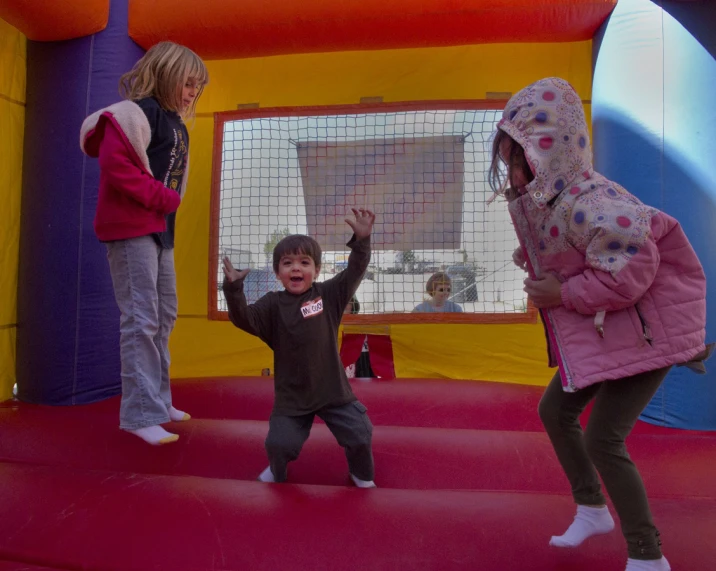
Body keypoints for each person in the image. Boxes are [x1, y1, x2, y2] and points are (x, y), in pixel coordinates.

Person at [489, 77, 711, 571]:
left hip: (649, 330)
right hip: (617, 328)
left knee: (603, 438)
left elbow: (630, 269)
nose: (513, 173)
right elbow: (584, 256)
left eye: (518, 160)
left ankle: (648, 555)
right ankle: (592, 509)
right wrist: (545, 267)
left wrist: (562, 292)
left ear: (549, 153)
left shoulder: (589, 200)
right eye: (508, 161)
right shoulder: (553, 200)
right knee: (555, 411)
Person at [80, 42, 209, 445]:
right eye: (187, 83)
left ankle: (157, 400)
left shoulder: (175, 122)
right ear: (167, 74)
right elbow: (116, 167)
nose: (191, 93)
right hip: (131, 228)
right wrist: (162, 199)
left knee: (164, 315)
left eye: (197, 87)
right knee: (141, 318)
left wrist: (167, 206)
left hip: (158, 230)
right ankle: (139, 414)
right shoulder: (136, 114)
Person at [222, 209, 377, 488]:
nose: (296, 268)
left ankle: (362, 475)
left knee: (360, 433)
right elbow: (243, 318)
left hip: (332, 390)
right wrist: (233, 290)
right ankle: (277, 471)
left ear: (316, 270)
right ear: (278, 272)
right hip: (292, 397)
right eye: (287, 262)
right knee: (280, 443)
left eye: (304, 262)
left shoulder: (328, 295)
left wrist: (362, 240)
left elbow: (356, 269)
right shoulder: (271, 304)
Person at [343, 295, 374, 379]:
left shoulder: (361, 323)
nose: (344, 304)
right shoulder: (330, 322)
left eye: (348, 302)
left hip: (358, 361)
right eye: (342, 301)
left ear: (353, 305)